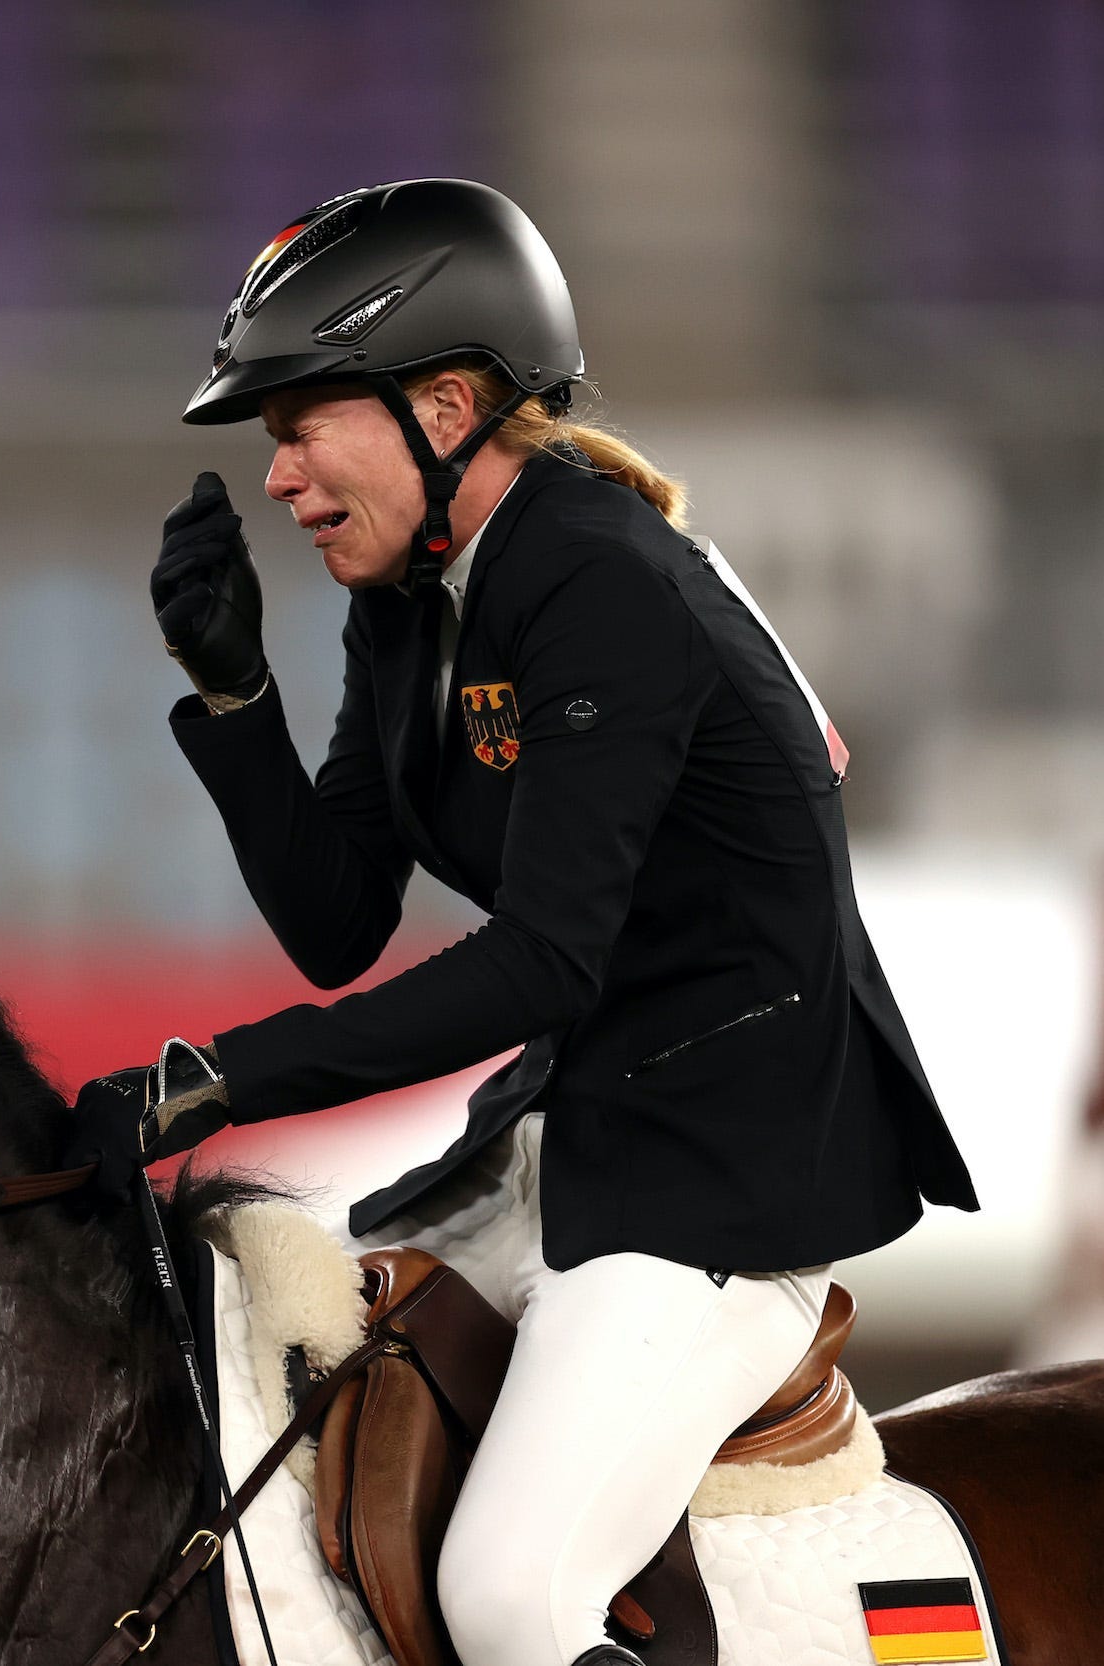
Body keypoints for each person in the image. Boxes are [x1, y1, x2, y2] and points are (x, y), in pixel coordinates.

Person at [64, 180, 979, 1666]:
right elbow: (337, 918)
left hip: (727, 1181)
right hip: (577, 1130)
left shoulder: (598, 580)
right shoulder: (413, 599)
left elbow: (539, 959)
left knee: (507, 1592)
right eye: (272, 443)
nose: (280, 478)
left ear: (445, 402)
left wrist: (208, 1081)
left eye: (300, 426)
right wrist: (238, 698)